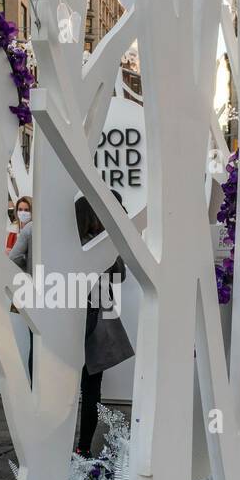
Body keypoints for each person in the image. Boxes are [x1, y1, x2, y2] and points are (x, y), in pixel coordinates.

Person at [75, 195, 133, 456]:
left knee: (80, 387)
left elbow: (119, 275)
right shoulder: (96, 246)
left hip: (80, 319)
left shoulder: (72, 243)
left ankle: (76, 447)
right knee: (90, 388)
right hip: (92, 320)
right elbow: (120, 275)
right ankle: (83, 447)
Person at [9, 195, 33, 272]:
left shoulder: (31, 229)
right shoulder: (12, 230)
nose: (23, 212)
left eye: (26, 210)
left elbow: (13, 257)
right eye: (20, 209)